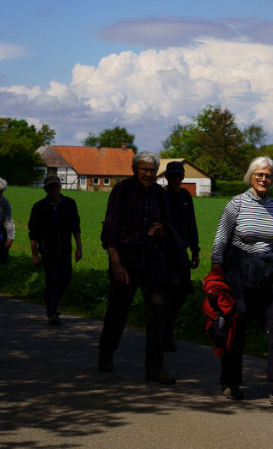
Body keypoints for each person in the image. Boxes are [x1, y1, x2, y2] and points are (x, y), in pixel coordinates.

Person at [211, 156, 273, 405]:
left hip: (270, 274)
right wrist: (216, 274)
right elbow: (221, 240)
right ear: (251, 176)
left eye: (268, 175)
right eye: (259, 175)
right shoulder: (237, 204)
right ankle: (230, 383)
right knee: (236, 328)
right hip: (240, 274)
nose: (264, 179)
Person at [98, 151, 185, 385]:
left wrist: (163, 231)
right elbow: (110, 228)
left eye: (152, 171)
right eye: (144, 170)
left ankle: (155, 368)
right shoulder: (122, 190)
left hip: (152, 257)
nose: (148, 174)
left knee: (157, 310)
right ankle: (106, 355)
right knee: (118, 310)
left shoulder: (158, 193)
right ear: (134, 170)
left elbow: (167, 224)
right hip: (125, 256)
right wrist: (115, 263)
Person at [28, 174, 82, 326]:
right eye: (50, 187)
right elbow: (33, 233)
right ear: (45, 189)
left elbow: (76, 227)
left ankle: (50, 300)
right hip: (48, 250)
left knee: (66, 278)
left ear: (60, 187)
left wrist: (79, 247)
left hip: (65, 250)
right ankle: (52, 312)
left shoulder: (70, 204)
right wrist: (35, 255)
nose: (53, 189)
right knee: (52, 279)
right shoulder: (39, 207)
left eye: (55, 186)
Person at [162, 160, 200, 351]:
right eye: (173, 176)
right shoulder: (160, 196)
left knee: (183, 291)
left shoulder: (186, 196)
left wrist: (196, 250)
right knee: (167, 294)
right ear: (166, 177)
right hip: (163, 254)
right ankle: (165, 336)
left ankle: (164, 328)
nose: (176, 179)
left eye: (179, 176)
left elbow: (191, 223)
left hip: (182, 253)